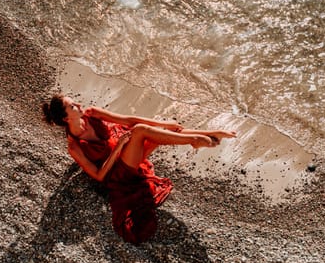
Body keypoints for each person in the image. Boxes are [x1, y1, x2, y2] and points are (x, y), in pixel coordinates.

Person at [42, 94, 236, 244]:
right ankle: (194, 140)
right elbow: (100, 176)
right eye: (72, 106)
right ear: (66, 118)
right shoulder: (74, 147)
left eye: (74, 101)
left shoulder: (91, 113)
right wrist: (118, 147)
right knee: (142, 131)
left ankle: (209, 134)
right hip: (118, 173)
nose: (78, 104)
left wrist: (164, 123)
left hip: (128, 151)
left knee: (161, 130)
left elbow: (129, 120)